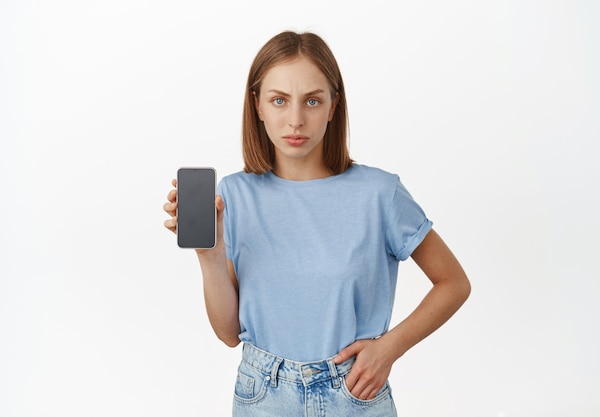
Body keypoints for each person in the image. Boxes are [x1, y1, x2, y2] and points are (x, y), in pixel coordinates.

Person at [163, 30, 470, 416]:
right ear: (257, 105)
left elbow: (454, 283)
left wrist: (389, 348)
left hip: (355, 392)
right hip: (264, 396)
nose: (295, 120)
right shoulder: (234, 195)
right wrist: (210, 254)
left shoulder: (379, 193)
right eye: (279, 100)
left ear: (333, 105)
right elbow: (228, 334)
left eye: (312, 100)